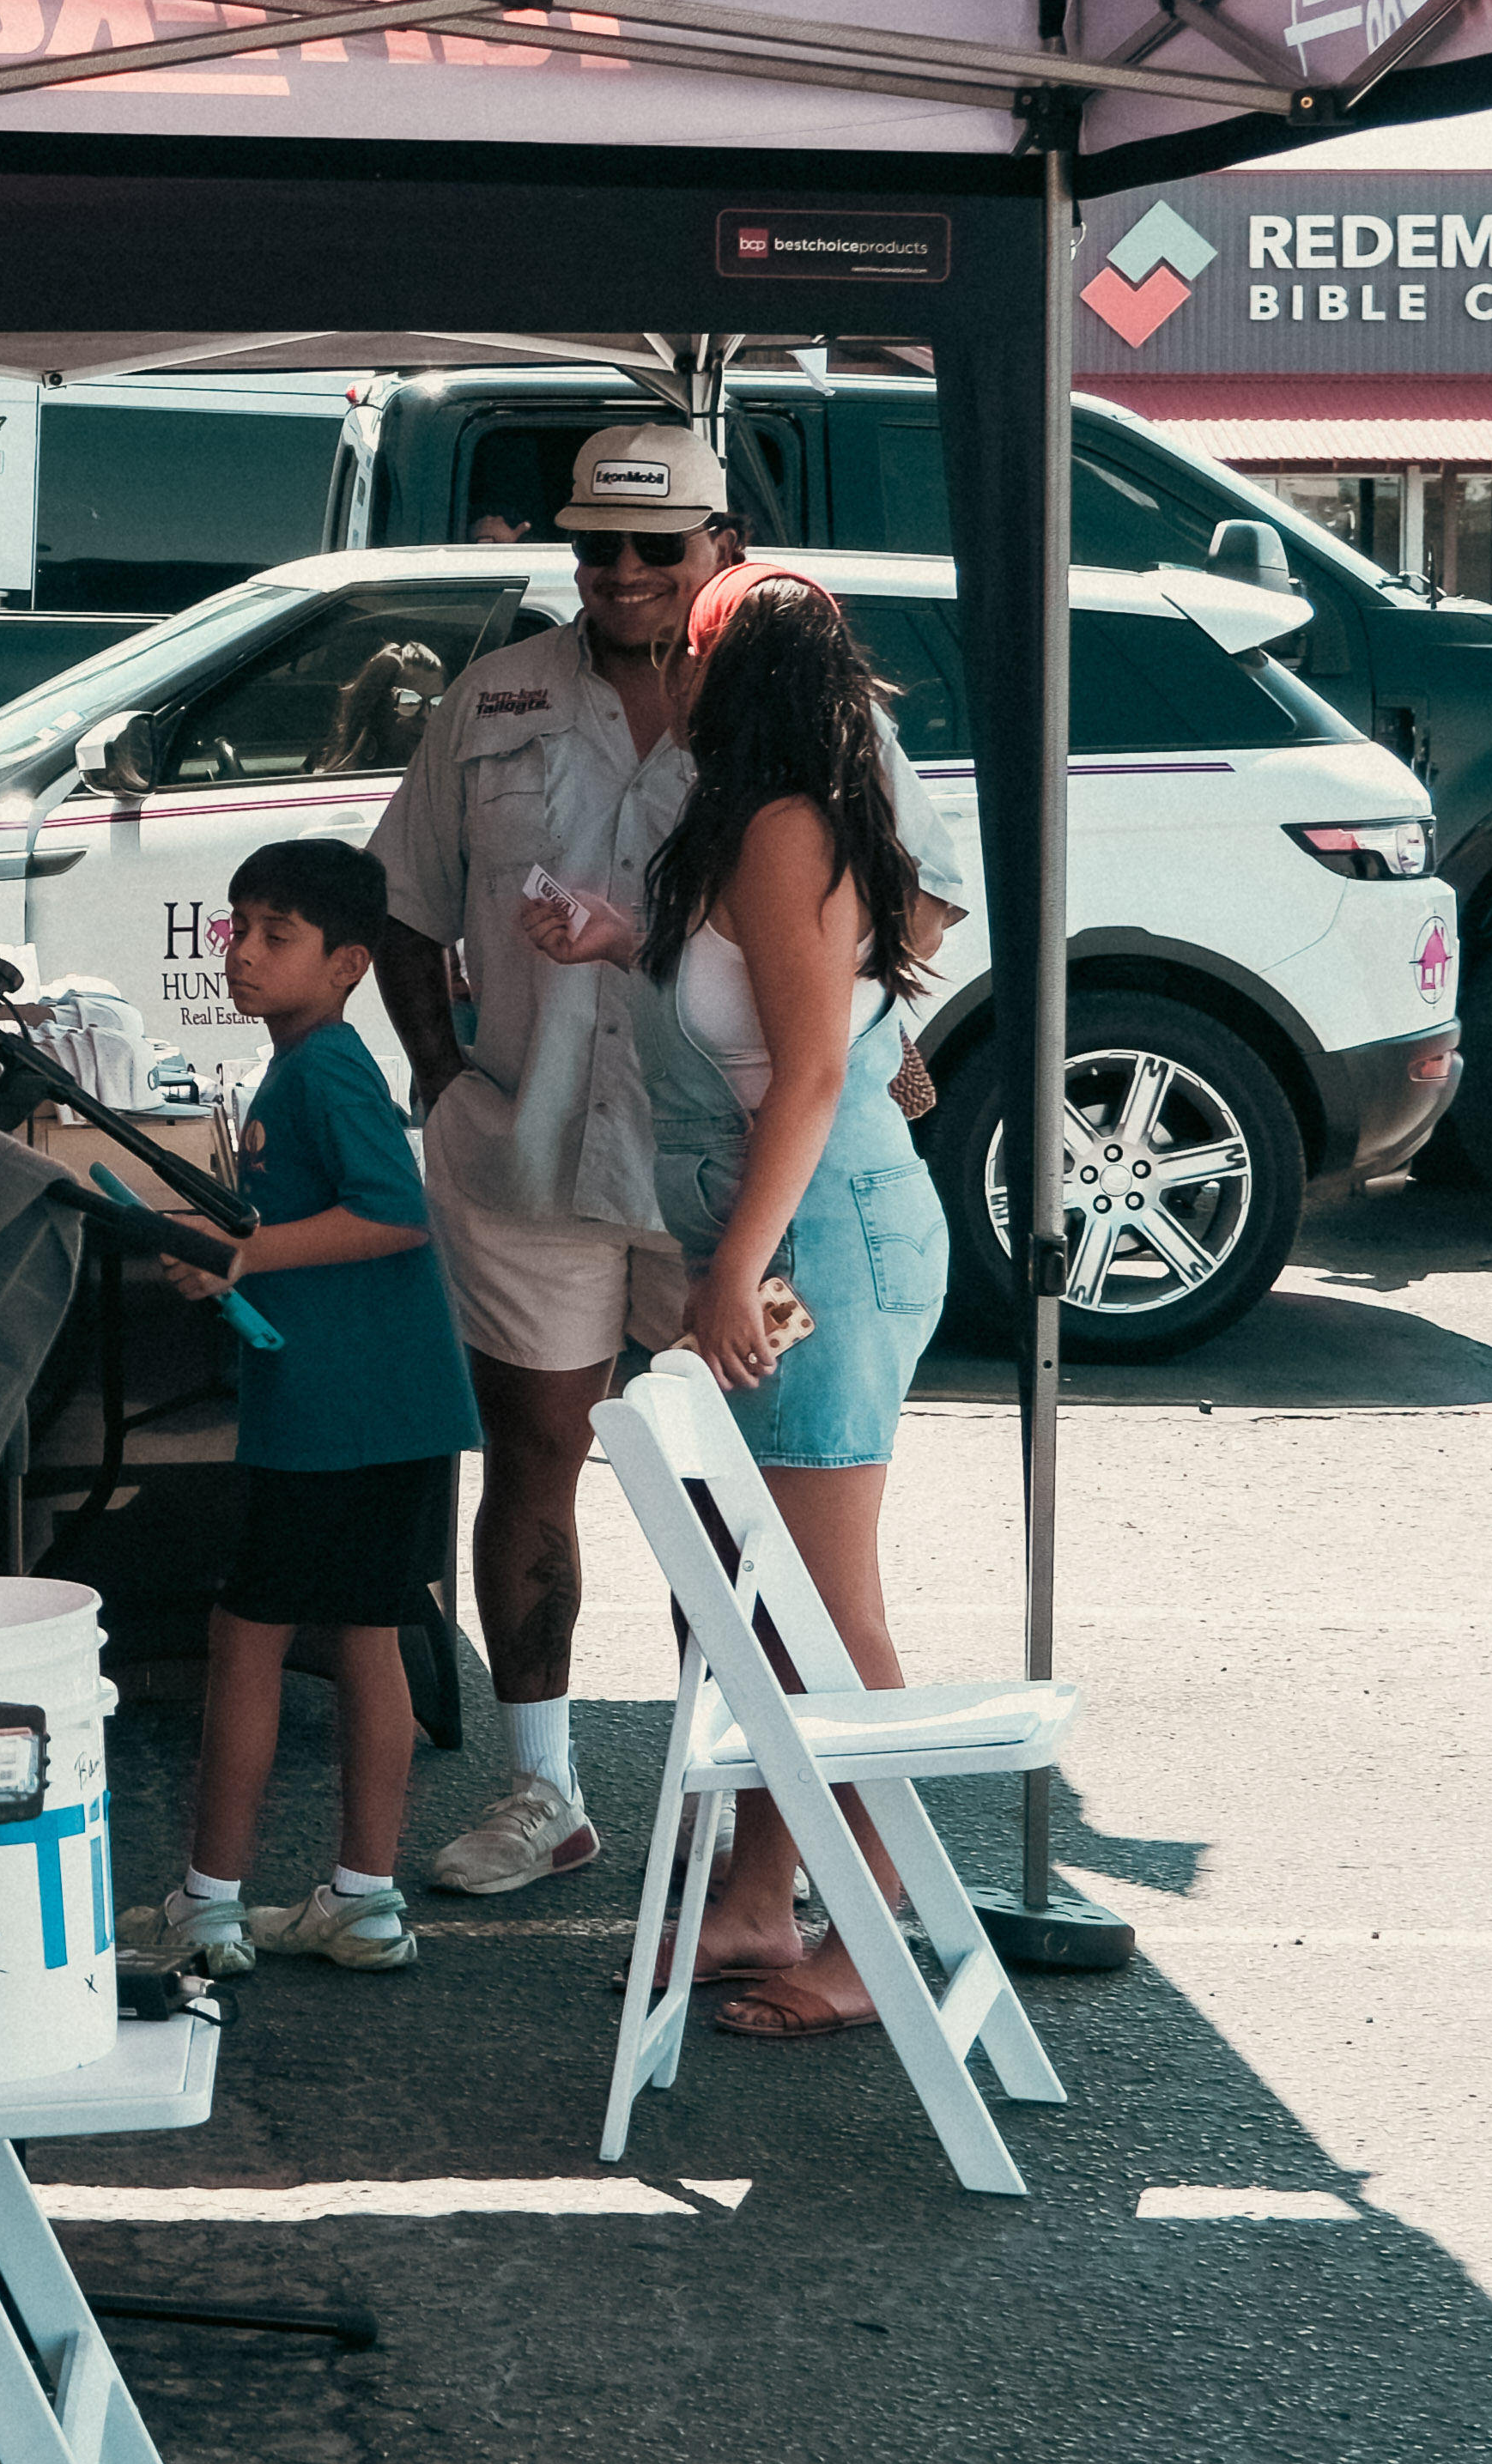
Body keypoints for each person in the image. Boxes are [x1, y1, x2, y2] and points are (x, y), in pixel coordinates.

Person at [371, 419, 961, 1903]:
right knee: (536, 1459)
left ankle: (752, 1836)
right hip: (536, 1141)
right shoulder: (497, 694)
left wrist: (845, 1027)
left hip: (741, 1183)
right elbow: (399, 897)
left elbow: (924, 904)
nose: (620, 572)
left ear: (719, 551)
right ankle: (544, 1787)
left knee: (736, 1523)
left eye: (655, 545)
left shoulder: (784, 707)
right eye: (591, 545)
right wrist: (442, 1073)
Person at [561, 565, 956, 2036]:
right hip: (790, 1227)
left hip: (818, 1240)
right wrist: (617, 941)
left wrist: (732, 1269)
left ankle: (877, 1925)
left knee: (823, 1612)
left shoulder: (787, 827)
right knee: (753, 1599)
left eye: (689, 654)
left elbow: (805, 1070)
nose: (667, 675)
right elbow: (757, 1011)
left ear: (733, 680)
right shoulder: (762, 823)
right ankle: (751, 1901)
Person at [152, 841, 480, 1979]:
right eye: (236, 928)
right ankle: (364, 1899)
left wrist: (244, 1256)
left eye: (273, 936)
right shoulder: (303, 1064)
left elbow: (395, 1212)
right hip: (380, 1408)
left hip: (345, 1414)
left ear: (349, 963)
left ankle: (208, 1906)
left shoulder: (328, 1068)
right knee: (369, 1635)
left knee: (248, 1639)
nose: (242, 954)